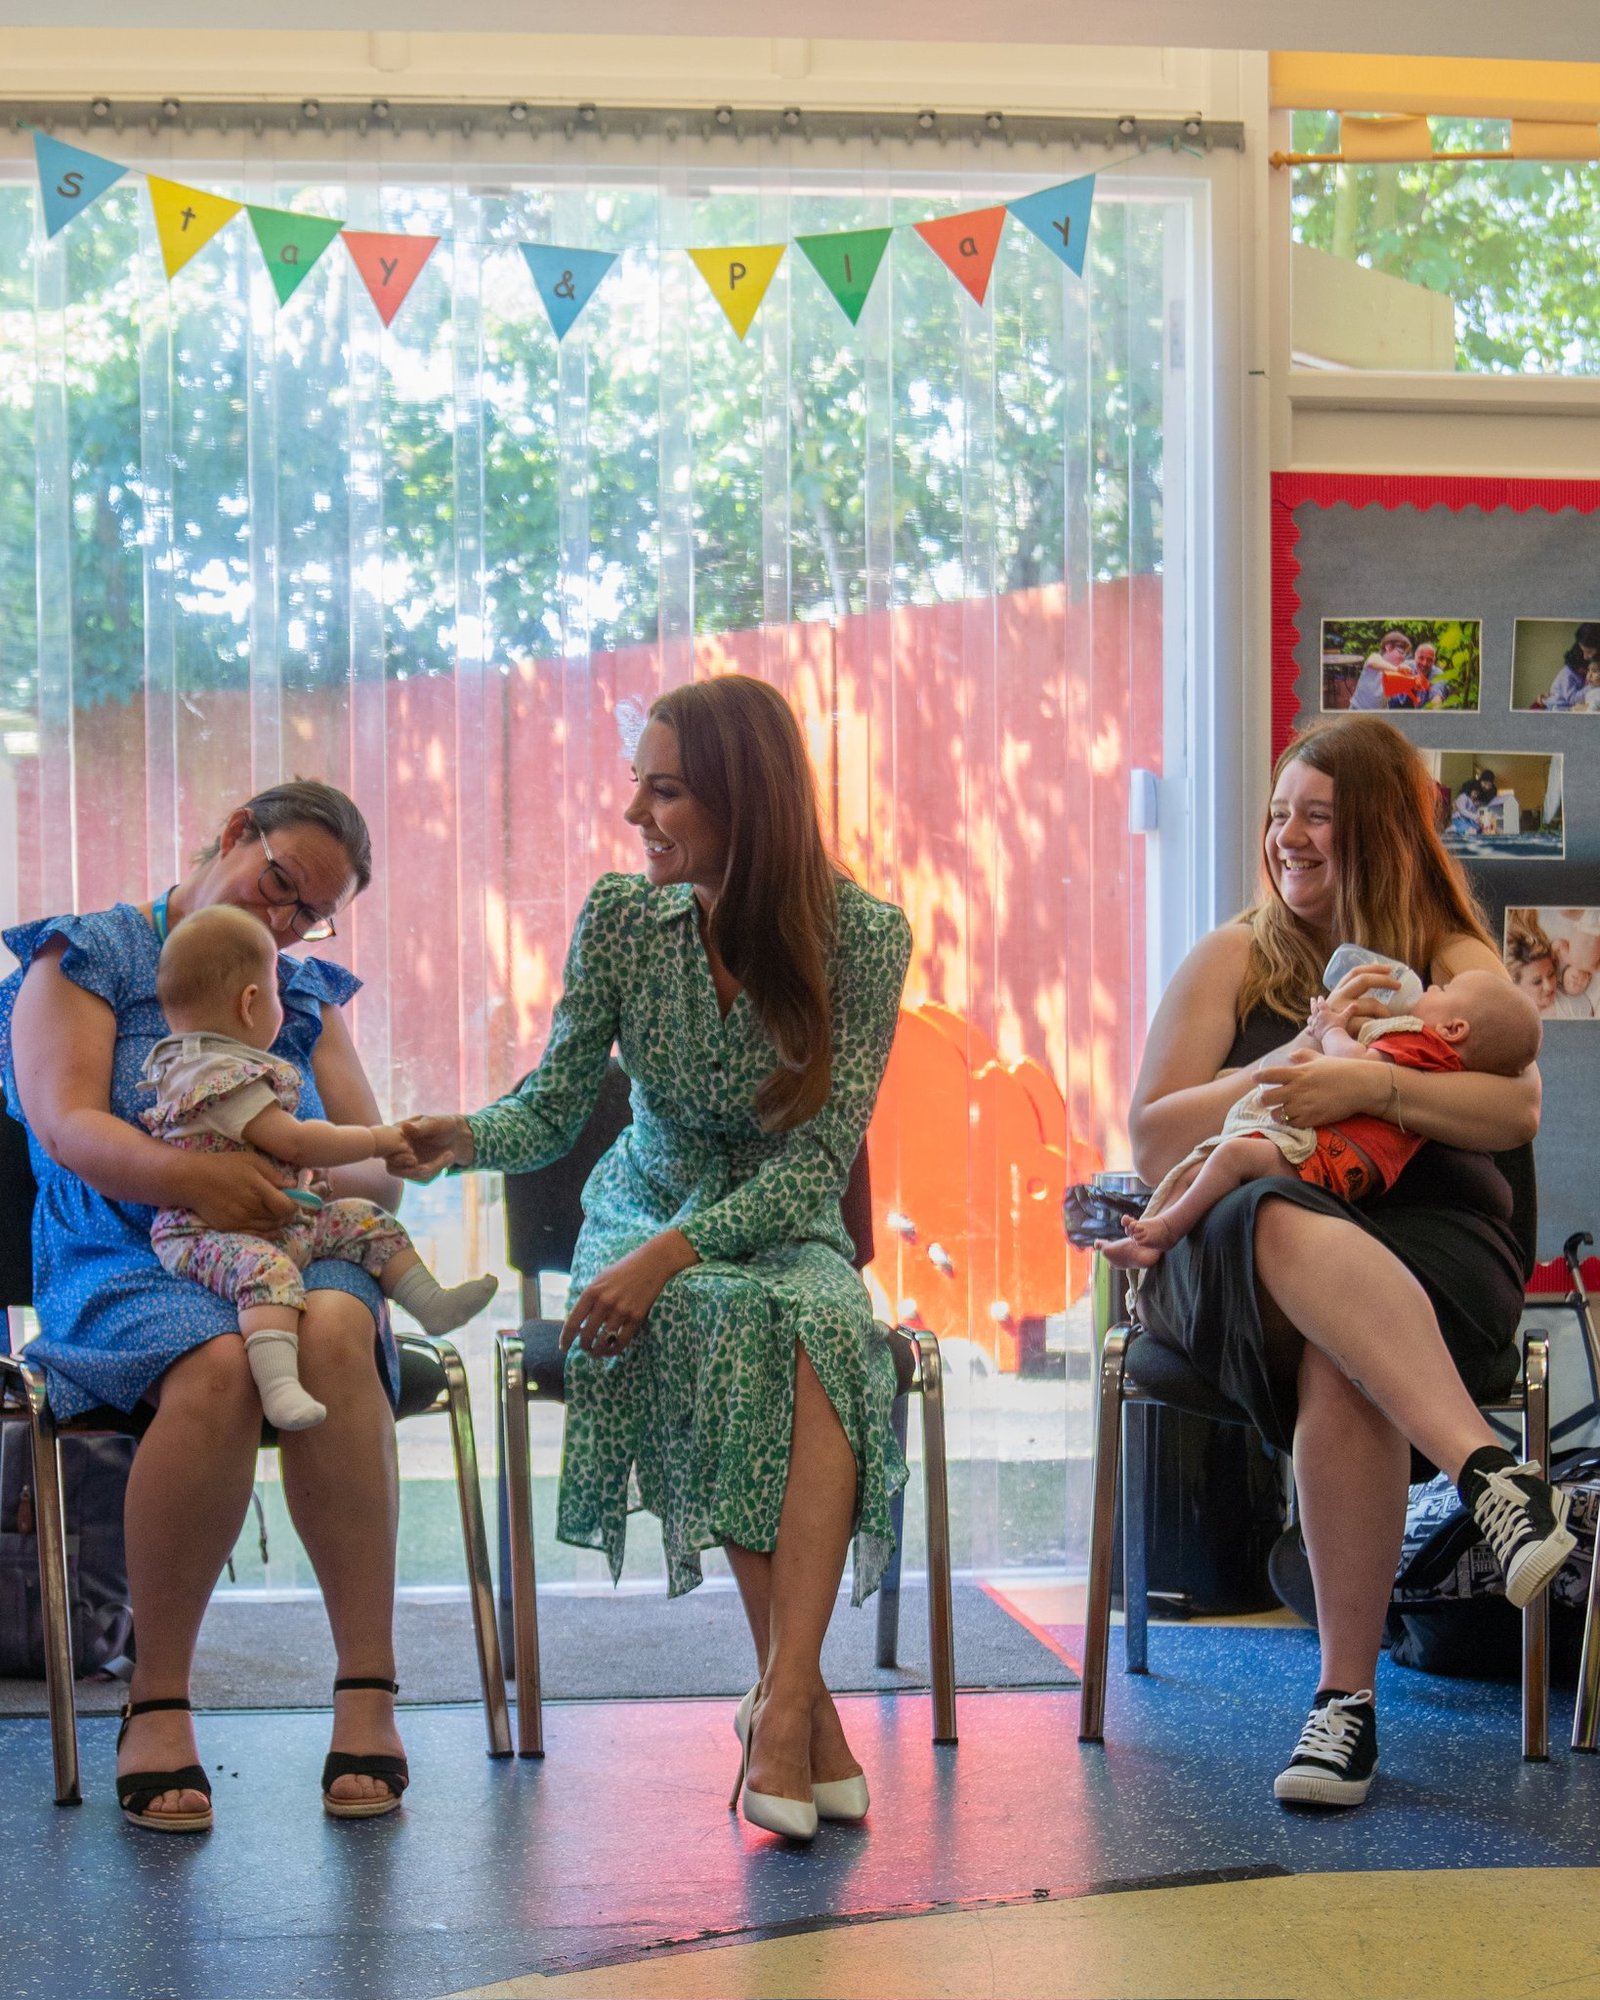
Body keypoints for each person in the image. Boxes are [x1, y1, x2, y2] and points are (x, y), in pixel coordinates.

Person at [399, 674, 912, 1843]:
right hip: (644, 1199)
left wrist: (675, 1258)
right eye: (640, 782)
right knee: (718, 1317)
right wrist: (456, 1140)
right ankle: (796, 1709)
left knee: (822, 1325)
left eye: (665, 787)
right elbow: (553, 1106)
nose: (636, 811)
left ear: (748, 798)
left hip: (784, 1213)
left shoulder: (866, 936)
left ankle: (781, 1703)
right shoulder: (623, 918)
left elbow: (814, 1160)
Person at [1127, 714, 1562, 1811]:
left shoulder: (1444, 952)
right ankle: (1486, 1472)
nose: (1287, 836)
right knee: (1280, 1219)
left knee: (1345, 1351)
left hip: (1428, 1252)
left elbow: (1511, 1095)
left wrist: (1368, 1085)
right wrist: (1280, 1068)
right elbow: (1149, 1135)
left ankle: (1344, 1708)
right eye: (1278, 814)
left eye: (1314, 813)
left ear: (1372, 827)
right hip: (1241, 1245)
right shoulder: (1238, 953)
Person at [0, 781, 414, 1830]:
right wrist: (199, 1180)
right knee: (220, 1363)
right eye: (278, 884)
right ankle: (159, 1695)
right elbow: (68, 1125)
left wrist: (337, 1176)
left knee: (331, 1323)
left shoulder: (302, 989)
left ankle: (368, 1684)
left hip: (282, 1238)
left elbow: (375, 1170)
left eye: (307, 912)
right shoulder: (84, 955)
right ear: (235, 833)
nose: (282, 924)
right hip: (125, 1248)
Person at [140, 904, 497, 1432]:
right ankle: (279, 1384)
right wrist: (379, 1139)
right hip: (205, 1236)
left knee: (362, 1217)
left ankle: (431, 1304)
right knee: (269, 1274)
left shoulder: (206, 1060)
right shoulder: (212, 1074)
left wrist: (313, 1179)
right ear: (251, 1003)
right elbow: (299, 1140)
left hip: (274, 1221)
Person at [1104, 968, 1541, 1268]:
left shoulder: (1424, 1045)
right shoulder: (1433, 1052)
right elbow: (1153, 1141)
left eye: (1442, 992)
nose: (1430, 988)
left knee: (1229, 1158)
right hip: (1337, 1169)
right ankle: (1156, 1235)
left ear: (1454, 1029)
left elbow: (1356, 1064)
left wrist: (1329, 1028)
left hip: (1330, 1160)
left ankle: (1161, 1233)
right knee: (1204, 1166)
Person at [1535, 622, 1600, 712]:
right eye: (1583, 651)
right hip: (1558, 707)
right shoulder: (1568, 673)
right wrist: (1592, 686)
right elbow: (1572, 698)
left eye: (1589, 651)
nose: (1585, 657)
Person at [1348, 632, 1413, 712]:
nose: (1403, 657)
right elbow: (1372, 662)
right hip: (1358, 709)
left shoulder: (1398, 667)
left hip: (1381, 711)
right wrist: (1398, 670)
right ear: (1388, 647)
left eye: (1405, 654)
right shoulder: (1376, 657)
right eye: (1401, 652)